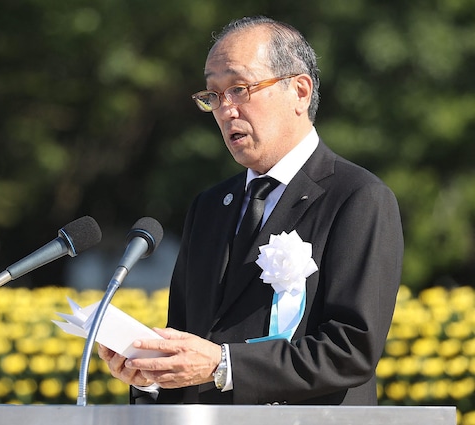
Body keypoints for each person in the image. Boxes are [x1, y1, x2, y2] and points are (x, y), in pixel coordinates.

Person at [98, 15, 403, 405]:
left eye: (239, 89)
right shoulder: (209, 207)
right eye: (213, 95)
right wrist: (151, 374)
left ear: (300, 91)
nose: (225, 110)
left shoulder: (358, 197)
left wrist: (224, 365)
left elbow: (349, 351)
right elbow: (191, 343)